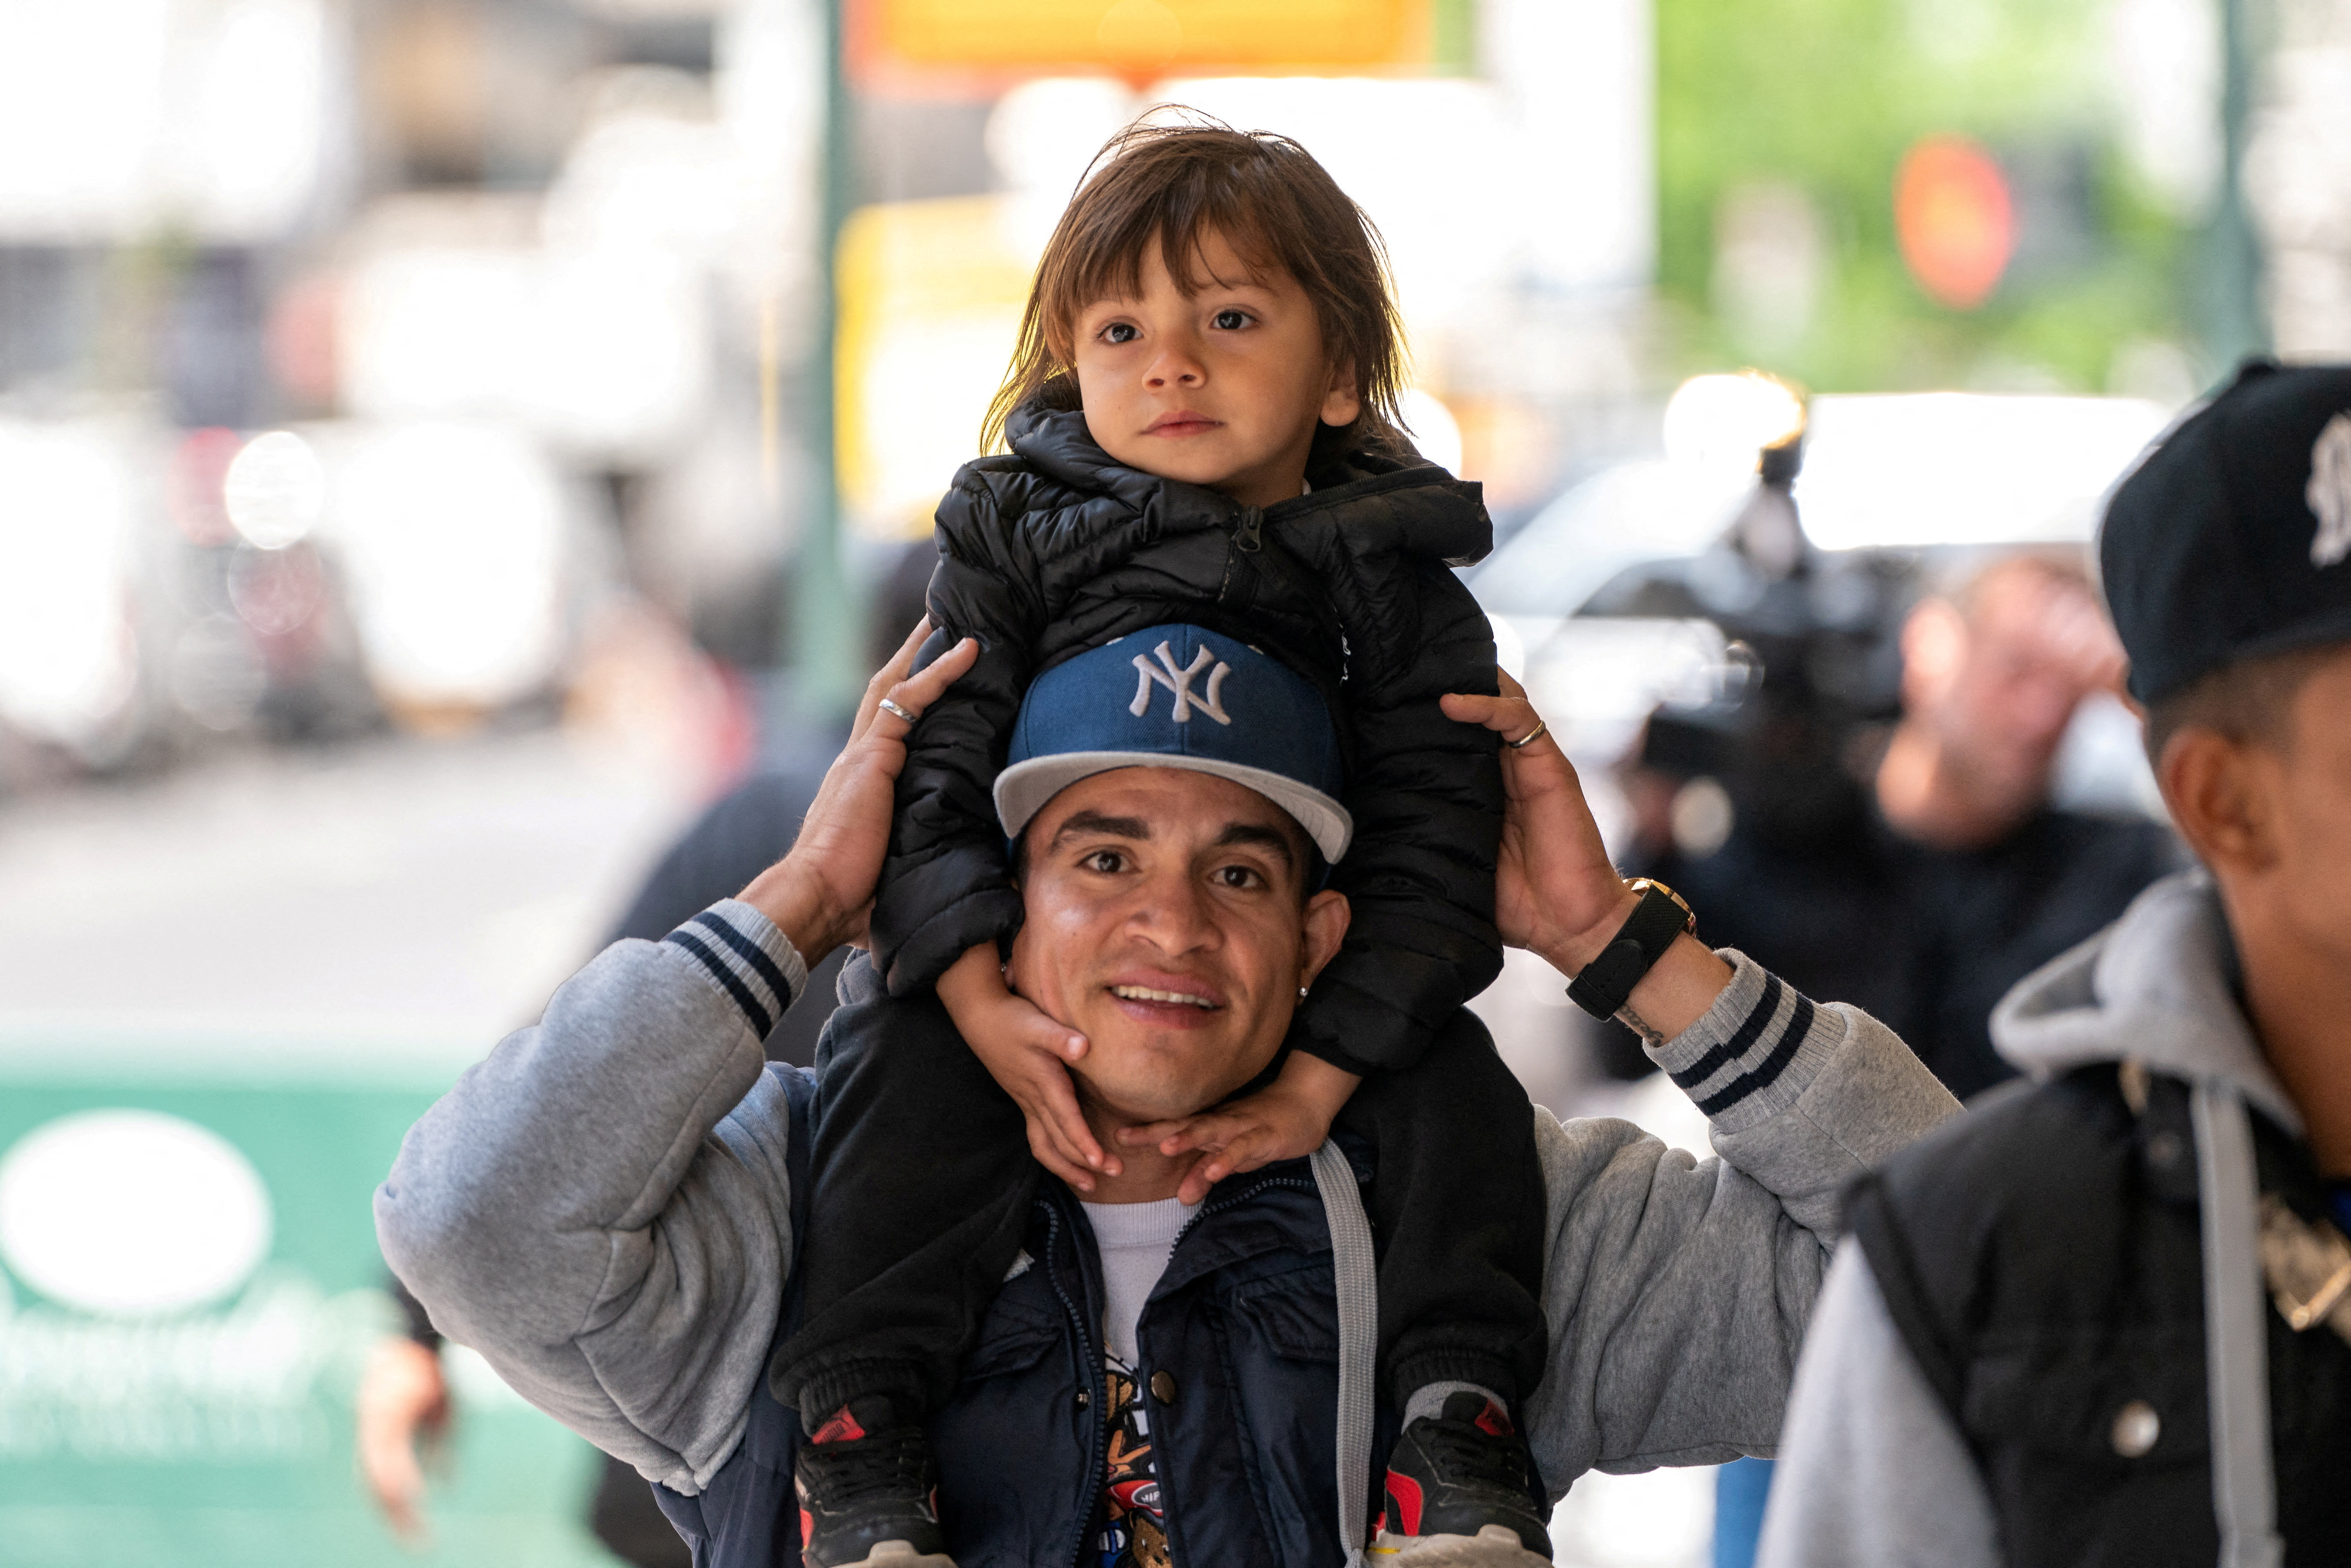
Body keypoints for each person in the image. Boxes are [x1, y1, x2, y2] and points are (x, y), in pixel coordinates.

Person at [377, 608, 1961, 1568]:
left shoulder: (1492, 1215)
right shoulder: (796, 1213)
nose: (1172, 922)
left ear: (1319, 932)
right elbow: (470, 1223)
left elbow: (1953, 1284)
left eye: (1242, 867)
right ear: (999, 901)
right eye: (1104, 854)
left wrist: (1610, 936)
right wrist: (795, 906)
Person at [775, 118, 1553, 1565]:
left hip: (1312, 1002)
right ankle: (859, 1445)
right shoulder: (1009, 536)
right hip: (1026, 991)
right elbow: (931, 786)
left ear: (1337, 371)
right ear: (1069, 358)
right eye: (1122, 326)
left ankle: (1456, 1435)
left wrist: (1323, 1074)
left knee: (1454, 1078)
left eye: (1231, 317)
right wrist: (972, 998)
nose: (1172, 361)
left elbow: (1438, 855)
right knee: (884, 1046)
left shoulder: (1398, 585)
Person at [1758, 361, 2351, 1565]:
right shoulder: (1972, 1256)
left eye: (2055, 680)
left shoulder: (2099, 865)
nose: (2033, 712)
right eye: (2008, 669)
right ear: (2223, 802)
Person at [1635, 549, 2180, 1101]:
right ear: (1929, 649)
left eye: (2068, 687)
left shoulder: (2111, 871)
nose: (2040, 715)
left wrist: (2146, 695)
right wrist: (1649, 834)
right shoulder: (1786, 841)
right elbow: (1625, 1050)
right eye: (2015, 668)